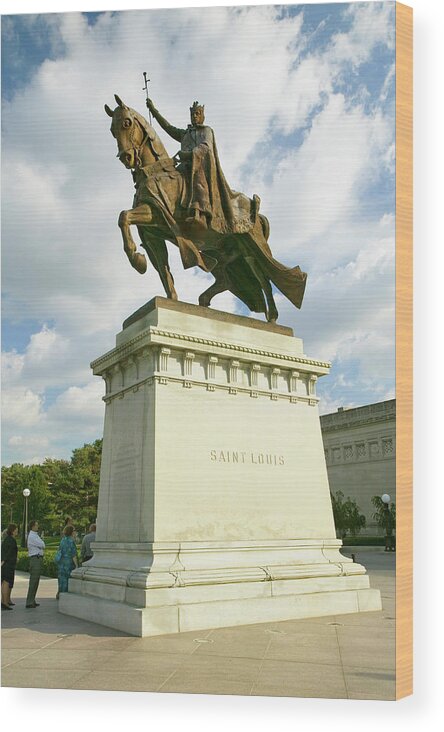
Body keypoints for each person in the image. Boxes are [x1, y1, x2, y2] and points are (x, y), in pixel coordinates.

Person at [146, 98, 241, 234]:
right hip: (184, 167)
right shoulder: (185, 134)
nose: (195, 116)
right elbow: (168, 127)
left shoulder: (206, 130)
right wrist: (154, 111)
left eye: (197, 114)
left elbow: (205, 147)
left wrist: (190, 155)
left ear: (203, 116)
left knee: (198, 177)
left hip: (199, 165)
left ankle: (200, 213)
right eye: (193, 114)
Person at [26, 520, 45, 608]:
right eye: (37, 525)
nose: (38, 526)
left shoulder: (35, 535)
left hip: (38, 558)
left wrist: (41, 545)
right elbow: (42, 545)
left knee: (36, 581)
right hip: (35, 559)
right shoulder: (32, 536)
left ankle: (32, 600)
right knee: (33, 581)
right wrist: (41, 545)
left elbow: (42, 544)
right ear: (33, 526)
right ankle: (29, 601)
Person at [56, 525, 78, 599]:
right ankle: (65, 596)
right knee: (68, 579)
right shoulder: (71, 541)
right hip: (68, 563)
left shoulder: (63, 540)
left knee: (62, 579)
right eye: (74, 530)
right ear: (72, 532)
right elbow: (73, 555)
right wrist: (77, 565)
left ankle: (60, 593)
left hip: (61, 562)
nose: (75, 532)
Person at [1, 524, 18, 610]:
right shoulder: (11, 540)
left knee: (4, 582)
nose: (17, 531)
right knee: (6, 583)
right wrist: (4, 561)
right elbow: (9, 553)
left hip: (6, 564)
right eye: (16, 530)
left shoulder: (6, 540)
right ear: (12, 530)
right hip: (8, 564)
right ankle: (4, 602)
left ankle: (5, 601)